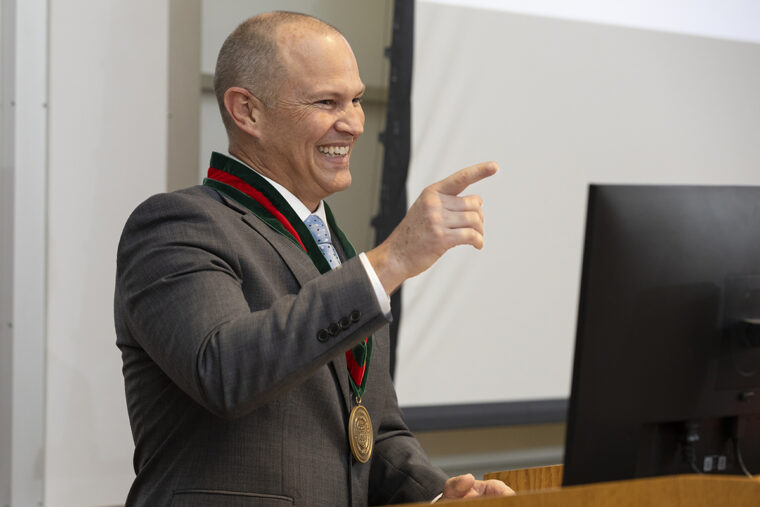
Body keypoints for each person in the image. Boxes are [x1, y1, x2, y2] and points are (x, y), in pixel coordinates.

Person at [115, 11, 512, 506]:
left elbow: (372, 431)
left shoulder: (335, 250)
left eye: (357, 100)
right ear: (247, 112)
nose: (354, 123)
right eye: (327, 102)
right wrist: (390, 262)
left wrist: (437, 496)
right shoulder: (176, 225)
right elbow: (224, 371)